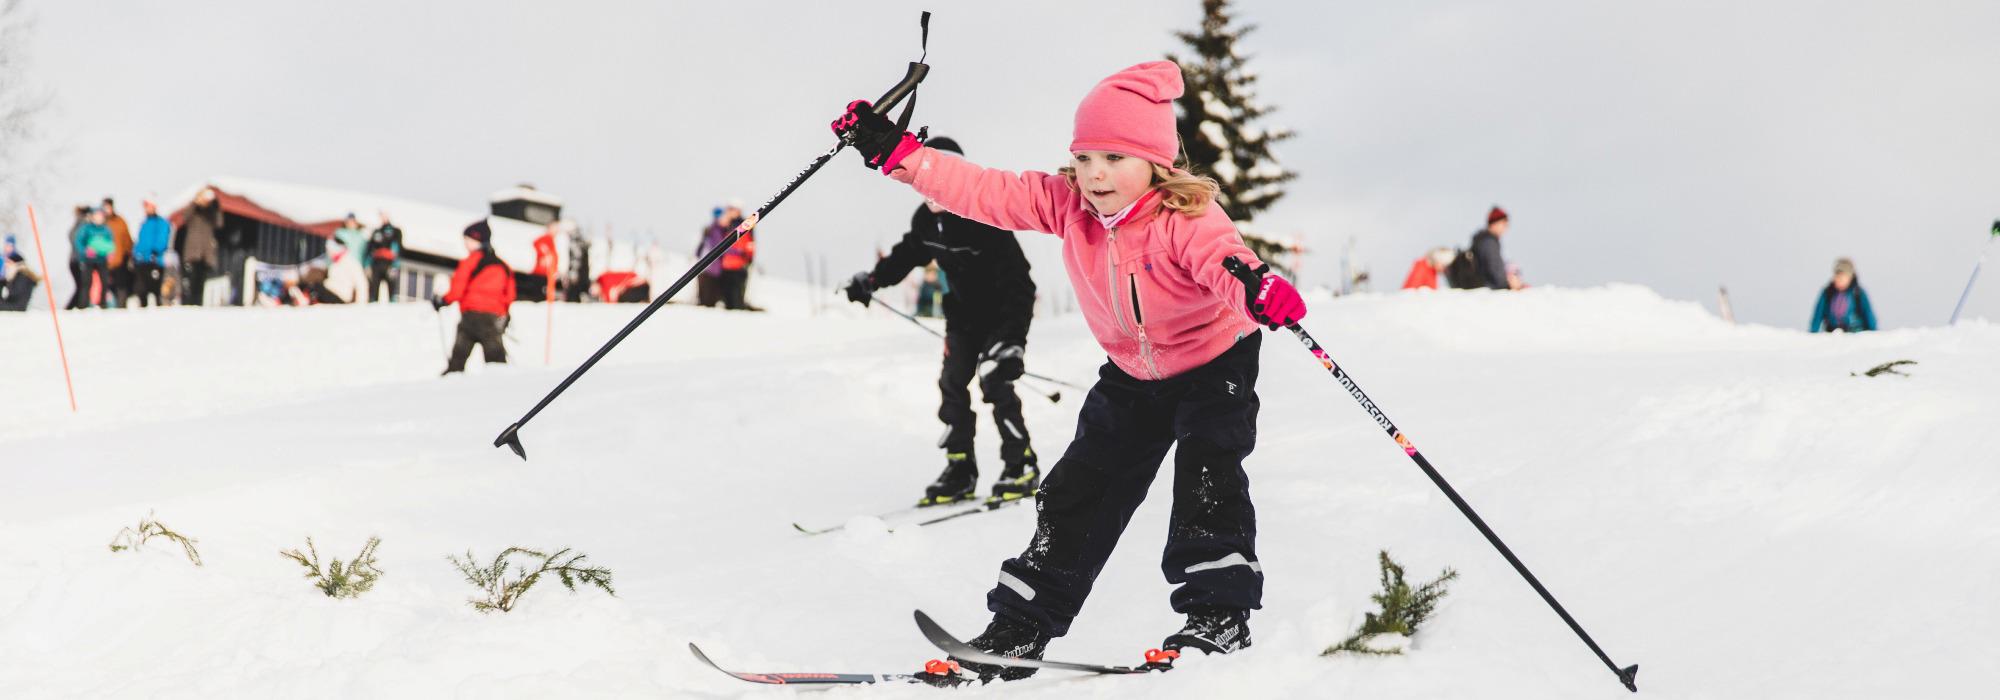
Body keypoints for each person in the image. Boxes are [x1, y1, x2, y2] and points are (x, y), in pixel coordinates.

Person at [832, 60, 1308, 683]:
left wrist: (1256, 288)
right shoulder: (1069, 206)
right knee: (1078, 491)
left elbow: (1224, 259)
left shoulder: (1184, 215)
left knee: (1207, 477)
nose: (1095, 174)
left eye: (1114, 157)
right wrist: (903, 156)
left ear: (1156, 162)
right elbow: (985, 191)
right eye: (1084, 158)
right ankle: (1020, 625)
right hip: (1131, 373)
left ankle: (1217, 617)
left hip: (1214, 361)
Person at [842, 136, 1043, 507]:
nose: (929, 191)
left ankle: (1022, 465)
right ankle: (960, 469)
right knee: (952, 384)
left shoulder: (983, 217)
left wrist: (1013, 339)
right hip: (963, 318)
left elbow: (1021, 284)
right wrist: (871, 281)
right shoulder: (925, 222)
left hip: (1001, 315)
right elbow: (905, 255)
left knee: (995, 379)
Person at [434, 220, 517, 374]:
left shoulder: (470, 262)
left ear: (477, 240)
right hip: (492, 319)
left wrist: (443, 300)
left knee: (458, 359)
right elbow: (510, 295)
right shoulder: (503, 266)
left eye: (467, 240)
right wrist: (504, 313)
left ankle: (451, 377)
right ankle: (502, 383)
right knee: (496, 362)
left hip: (471, 317)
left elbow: (457, 290)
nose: (465, 244)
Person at [174, 187, 224, 305]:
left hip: (205, 253)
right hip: (193, 252)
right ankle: (188, 303)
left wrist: (215, 207)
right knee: (190, 280)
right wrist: (195, 203)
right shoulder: (194, 212)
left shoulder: (211, 214)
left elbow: (219, 223)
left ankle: (198, 303)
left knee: (201, 281)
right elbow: (185, 217)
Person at [1810, 257, 1876, 333]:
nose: (1839, 280)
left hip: (1854, 334)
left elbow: (1869, 316)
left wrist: (1873, 334)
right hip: (1832, 334)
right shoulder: (1827, 293)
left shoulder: (1858, 293)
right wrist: (1813, 333)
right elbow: (1817, 316)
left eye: (1842, 277)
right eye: (1837, 276)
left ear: (1850, 277)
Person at [695, 203, 741, 307]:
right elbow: (720, 247)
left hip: (712, 269)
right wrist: (738, 252)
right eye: (725, 218)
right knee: (707, 301)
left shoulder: (717, 229)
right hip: (709, 269)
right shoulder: (716, 229)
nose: (727, 220)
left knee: (709, 300)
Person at [131, 199, 172, 307]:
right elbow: (140, 241)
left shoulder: (161, 222)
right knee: (141, 289)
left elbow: (163, 238)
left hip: (155, 260)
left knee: (156, 289)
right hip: (142, 260)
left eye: (149, 206)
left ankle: (160, 309)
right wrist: (135, 254)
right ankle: (143, 310)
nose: (147, 209)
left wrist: (156, 251)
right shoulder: (144, 223)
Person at [74, 208, 116, 309]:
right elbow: (78, 242)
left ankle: (103, 303)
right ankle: (83, 305)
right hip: (88, 260)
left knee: (104, 281)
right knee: (86, 282)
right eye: (97, 216)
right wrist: (85, 251)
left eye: (100, 216)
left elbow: (111, 243)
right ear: (92, 217)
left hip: (102, 259)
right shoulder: (86, 229)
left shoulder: (106, 230)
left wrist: (111, 252)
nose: (99, 218)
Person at [364, 211, 402, 302]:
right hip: (377, 263)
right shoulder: (376, 232)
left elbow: (399, 248)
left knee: (391, 287)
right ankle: (372, 303)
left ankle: (393, 303)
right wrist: (367, 264)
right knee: (374, 287)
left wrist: (395, 265)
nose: (383, 217)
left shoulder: (396, 231)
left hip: (390, 263)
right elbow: (370, 249)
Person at [102, 198, 133, 308]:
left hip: (119, 259)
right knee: (107, 286)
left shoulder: (120, 221)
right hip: (104, 261)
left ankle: (121, 306)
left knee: (121, 285)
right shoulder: (101, 223)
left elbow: (127, 238)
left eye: (109, 207)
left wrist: (129, 253)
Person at [524, 221, 559, 302]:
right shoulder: (546, 239)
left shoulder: (552, 240)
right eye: (554, 229)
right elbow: (537, 244)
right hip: (540, 272)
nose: (556, 231)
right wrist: (544, 255)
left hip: (547, 273)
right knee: (537, 294)